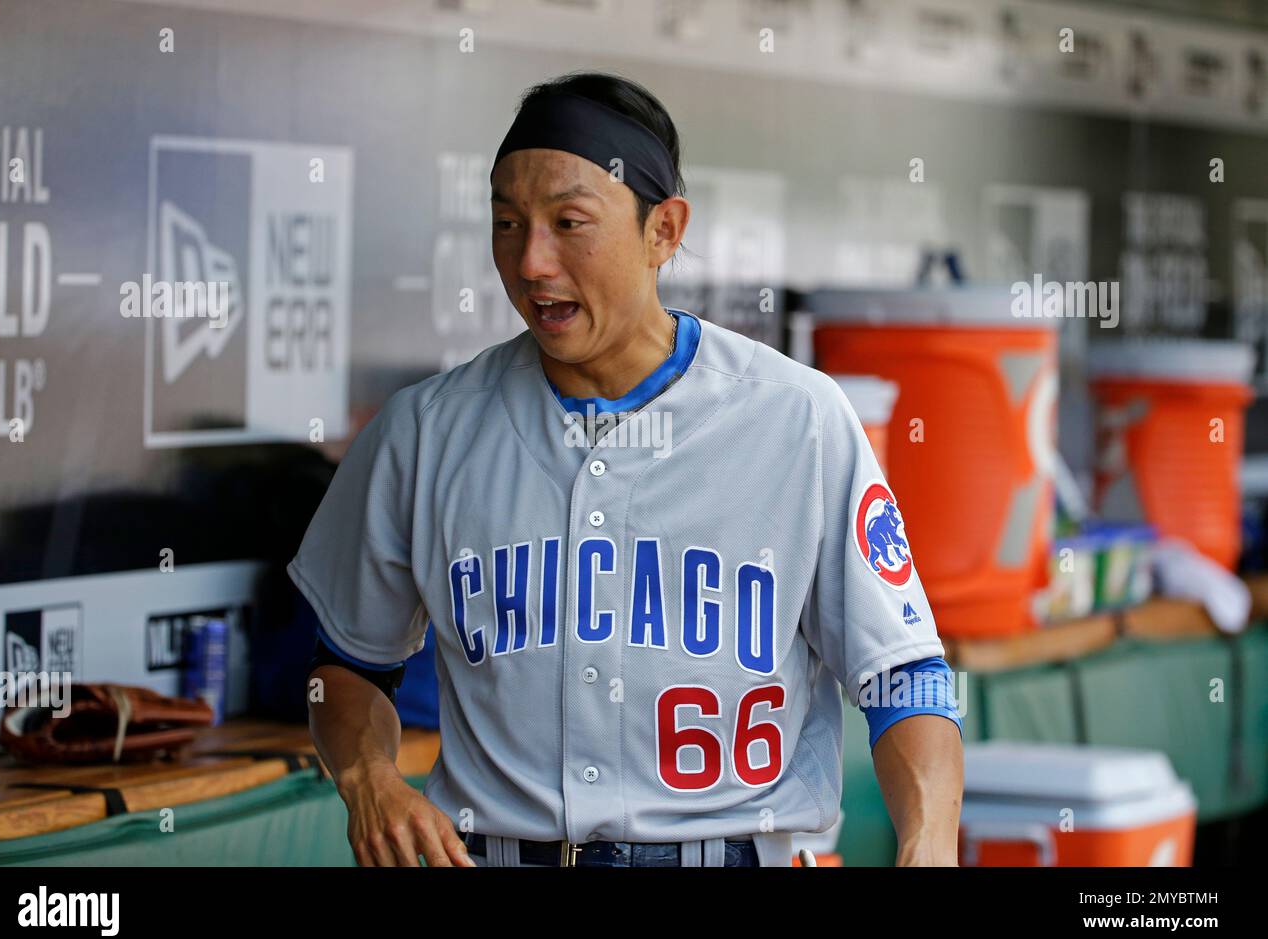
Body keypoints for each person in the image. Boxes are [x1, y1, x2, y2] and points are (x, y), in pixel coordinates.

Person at [288, 70, 963, 868]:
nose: (531, 261)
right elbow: (347, 667)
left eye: (570, 222)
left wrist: (930, 843)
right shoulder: (425, 432)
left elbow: (904, 675)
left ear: (664, 231)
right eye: (507, 223)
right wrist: (368, 779)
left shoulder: (797, 420)